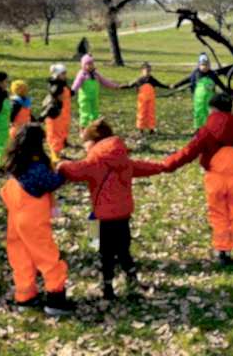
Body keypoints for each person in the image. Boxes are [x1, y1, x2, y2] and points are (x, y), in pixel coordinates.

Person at [159, 94, 233, 268]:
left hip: (214, 179)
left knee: (218, 214)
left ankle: (223, 251)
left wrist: (168, 165)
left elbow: (189, 151)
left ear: (213, 110)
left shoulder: (206, 131)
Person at [57, 119, 163, 301]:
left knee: (105, 253)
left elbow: (75, 170)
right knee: (123, 250)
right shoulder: (122, 159)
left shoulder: (95, 161)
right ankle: (132, 278)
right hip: (122, 216)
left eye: (85, 142)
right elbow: (144, 166)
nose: (84, 146)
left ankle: (107, 287)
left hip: (103, 218)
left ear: (94, 141)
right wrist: (165, 166)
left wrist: (61, 165)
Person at [0, 123, 73, 316]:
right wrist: (63, 171)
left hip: (15, 218)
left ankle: (25, 297)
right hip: (33, 219)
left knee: (21, 257)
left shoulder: (15, 163)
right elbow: (52, 182)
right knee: (47, 257)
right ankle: (55, 300)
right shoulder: (37, 166)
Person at [171, 53, 227, 130]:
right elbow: (186, 80)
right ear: (199, 65)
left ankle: (210, 127)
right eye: (203, 65)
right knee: (199, 112)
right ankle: (198, 127)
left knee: (210, 112)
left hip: (210, 98)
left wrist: (226, 91)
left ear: (209, 65)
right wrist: (176, 85)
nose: (205, 67)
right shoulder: (195, 73)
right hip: (198, 99)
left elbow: (220, 83)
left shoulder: (212, 74)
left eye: (207, 65)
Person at [71, 55, 120, 132]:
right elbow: (76, 84)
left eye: (91, 64)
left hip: (94, 98)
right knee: (85, 113)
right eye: (88, 64)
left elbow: (105, 81)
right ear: (83, 65)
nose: (90, 66)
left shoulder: (96, 74)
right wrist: (72, 91)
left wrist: (115, 86)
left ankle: (94, 129)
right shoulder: (82, 74)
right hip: (85, 99)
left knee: (95, 113)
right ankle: (83, 129)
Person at [120, 62, 169, 137]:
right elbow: (130, 85)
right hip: (142, 100)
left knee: (151, 114)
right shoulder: (139, 80)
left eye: (149, 70)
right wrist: (120, 86)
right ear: (142, 71)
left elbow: (160, 84)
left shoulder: (152, 80)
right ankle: (141, 129)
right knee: (141, 114)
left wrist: (168, 87)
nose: (148, 72)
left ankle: (151, 129)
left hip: (151, 100)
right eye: (146, 70)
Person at [44, 64, 73, 161]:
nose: (65, 75)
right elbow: (54, 94)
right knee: (54, 134)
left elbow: (69, 94)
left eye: (65, 73)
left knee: (61, 134)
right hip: (56, 115)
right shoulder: (56, 85)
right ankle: (54, 155)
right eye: (63, 73)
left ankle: (59, 153)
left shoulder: (63, 84)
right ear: (57, 74)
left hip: (63, 115)